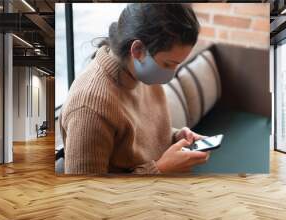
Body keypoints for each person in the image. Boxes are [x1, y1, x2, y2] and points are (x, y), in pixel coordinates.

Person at [59, 3, 210, 174]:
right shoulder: (88, 106)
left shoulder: (140, 75)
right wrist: (160, 169)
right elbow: (85, 195)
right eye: (168, 64)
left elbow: (137, 139)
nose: (171, 73)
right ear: (137, 50)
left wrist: (176, 137)